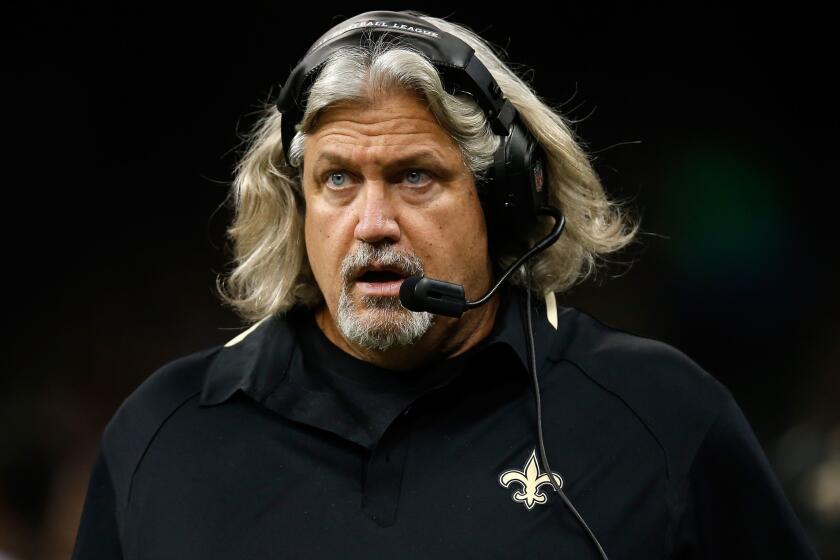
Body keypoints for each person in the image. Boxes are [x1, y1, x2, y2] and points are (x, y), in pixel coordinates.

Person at [71, 10, 818, 559]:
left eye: (415, 177)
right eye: (336, 179)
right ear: (296, 202)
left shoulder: (664, 418)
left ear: (505, 200)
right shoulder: (162, 432)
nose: (371, 224)